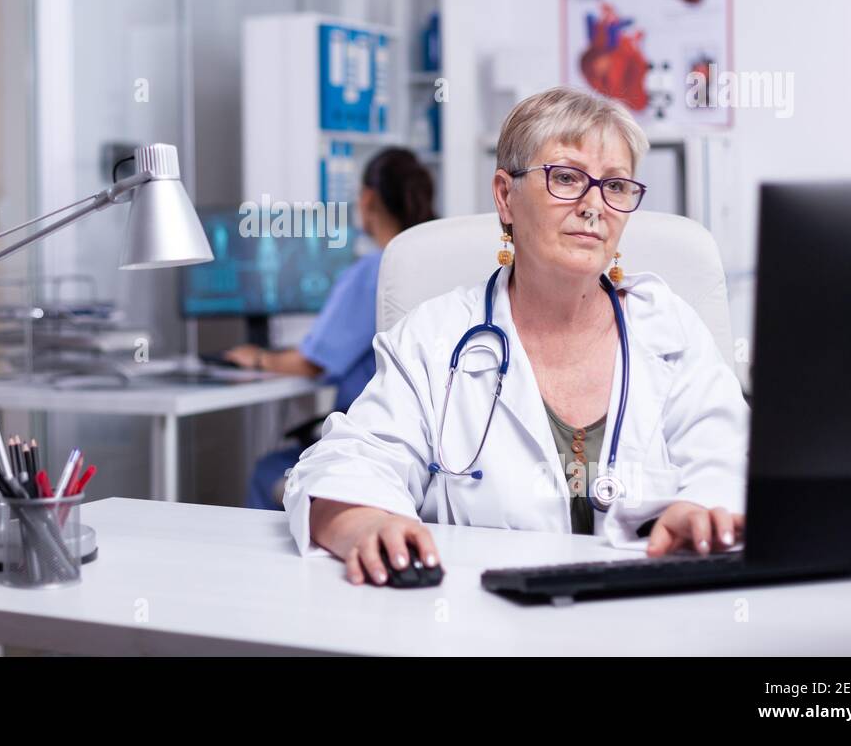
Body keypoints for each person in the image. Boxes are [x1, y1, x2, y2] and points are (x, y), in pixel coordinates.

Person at [285, 86, 749, 585]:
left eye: (615, 185)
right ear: (506, 196)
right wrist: (366, 524)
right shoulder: (435, 338)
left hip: (649, 613)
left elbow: (731, 461)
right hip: (486, 616)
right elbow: (348, 464)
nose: (595, 205)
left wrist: (704, 511)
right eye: (566, 177)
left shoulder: (671, 330)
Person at [224, 148, 437, 509]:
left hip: (373, 442)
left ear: (367, 199)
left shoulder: (375, 269)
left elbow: (313, 363)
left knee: (266, 471)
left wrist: (257, 358)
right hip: (425, 445)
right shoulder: (431, 263)